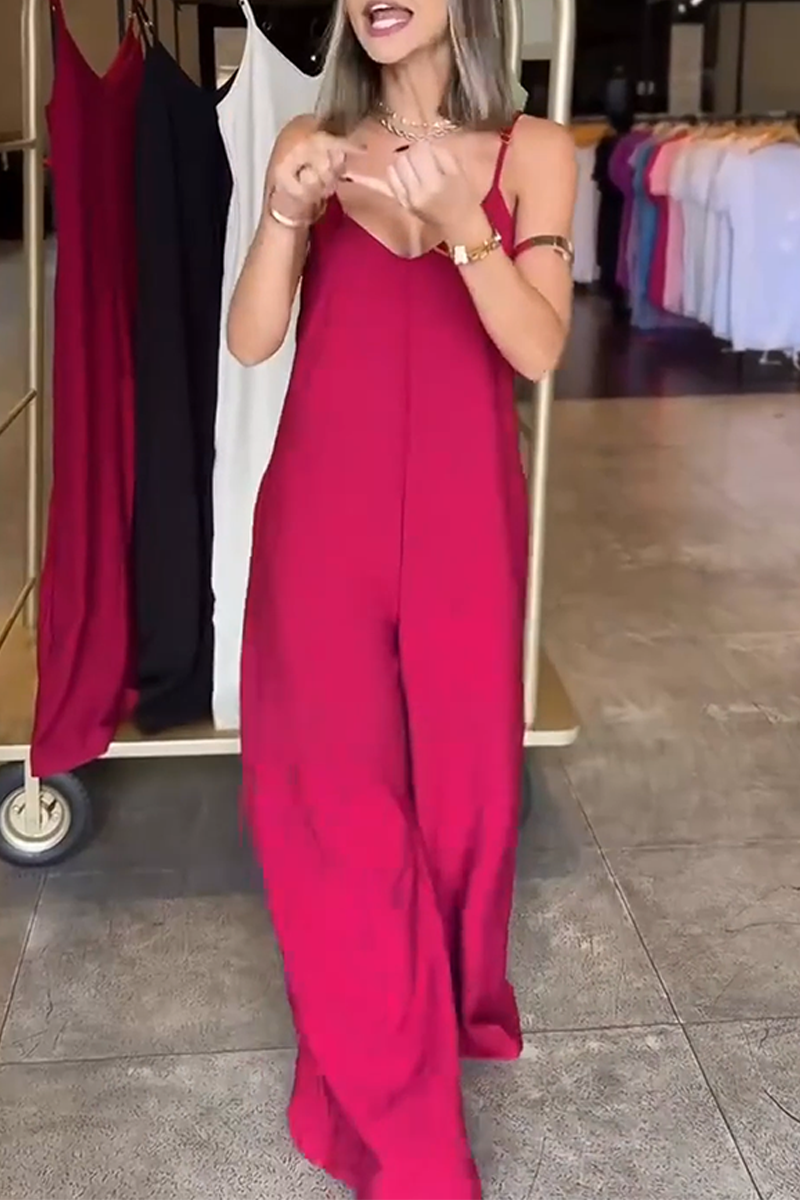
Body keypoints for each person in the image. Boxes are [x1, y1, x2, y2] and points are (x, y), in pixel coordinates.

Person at [228, 0, 577, 1194]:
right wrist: (285, 212)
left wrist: (462, 232)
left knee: (462, 807)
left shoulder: (533, 152)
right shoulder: (315, 145)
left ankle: (446, 1002)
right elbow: (250, 341)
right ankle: (410, 1140)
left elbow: (537, 349)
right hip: (319, 527)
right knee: (336, 809)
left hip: (462, 529)